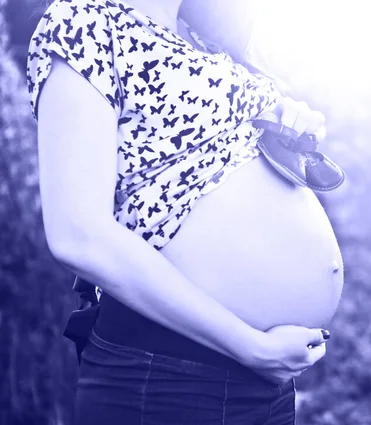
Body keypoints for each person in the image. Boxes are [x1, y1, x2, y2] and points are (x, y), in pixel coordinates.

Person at [26, 0, 345, 423]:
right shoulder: (85, 20)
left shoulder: (204, 36)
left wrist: (283, 125)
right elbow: (78, 234)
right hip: (170, 377)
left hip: (257, 384)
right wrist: (249, 346)